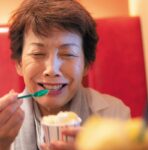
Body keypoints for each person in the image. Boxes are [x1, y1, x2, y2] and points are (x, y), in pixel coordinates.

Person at [0, 0, 130, 150]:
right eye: (38, 53)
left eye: (68, 54)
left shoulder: (113, 115)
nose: (52, 69)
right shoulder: (4, 123)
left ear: (86, 65)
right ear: (19, 64)